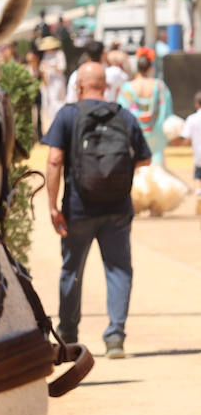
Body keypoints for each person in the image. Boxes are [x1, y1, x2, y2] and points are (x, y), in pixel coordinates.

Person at [42, 61, 150, 359]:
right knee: (118, 270)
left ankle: (68, 333)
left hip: (78, 209)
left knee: (71, 270)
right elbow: (144, 159)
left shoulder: (68, 115)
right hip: (117, 208)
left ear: (78, 86)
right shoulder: (124, 116)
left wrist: (52, 206)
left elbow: (53, 161)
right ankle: (115, 337)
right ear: (107, 86)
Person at [117, 47, 173, 161]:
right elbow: (167, 110)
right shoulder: (159, 86)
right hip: (156, 133)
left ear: (137, 68)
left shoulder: (127, 88)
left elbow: (122, 111)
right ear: (151, 68)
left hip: (134, 133)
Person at [66, 38, 128, 104]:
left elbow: (71, 100)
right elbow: (126, 85)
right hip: (109, 111)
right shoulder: (115, 72)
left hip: (82, 111)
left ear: (87, 55)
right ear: (103, 53)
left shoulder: (76, 74)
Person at [36, 35, 68, 136]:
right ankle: (51, 126)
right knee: (48, 104)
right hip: (48, 83)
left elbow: (61, 67)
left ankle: (59, 125)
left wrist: (50, 66)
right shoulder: (46, 55)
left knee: (57, 103)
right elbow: (42, 68)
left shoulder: (59, 54)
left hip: (57, 82)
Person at [180, 92, 201, 197]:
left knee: (198, 176)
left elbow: (186, 139)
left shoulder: (192, 119)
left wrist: (177, 143)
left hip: (198, 155)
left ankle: (198, 193)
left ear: (196, 104)